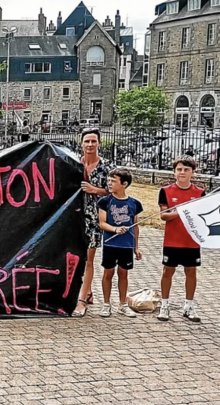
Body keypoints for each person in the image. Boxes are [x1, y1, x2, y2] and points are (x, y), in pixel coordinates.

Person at [73, 128, 115, 317]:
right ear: (81, 143)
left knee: (88, 259)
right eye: (87, 141)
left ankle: (82, 301)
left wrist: (94, 190)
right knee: (76, 256)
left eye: (93, 141)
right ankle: (87, 292)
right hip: (74, 216)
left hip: (94, 218)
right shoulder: (74, 163)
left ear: (99, 143)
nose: (90, 145)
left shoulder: (106, 167)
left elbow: (114, 192)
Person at [157, 156, 204, 322]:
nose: (182, 172)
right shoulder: (166, 191)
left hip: (191, 241)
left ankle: (189, 306)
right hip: (172, 240)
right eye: (179, 169)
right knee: (168, 271)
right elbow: (163, 215)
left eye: (186, 169)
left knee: (191, 272)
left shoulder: (199, 193)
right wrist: (180, 212)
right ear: (174, 172)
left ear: (192, 172)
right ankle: (164, 305)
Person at [97, 168, 143, 318]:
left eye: (113, 181)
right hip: (110, 244)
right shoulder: (105, 201)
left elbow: (135, 226)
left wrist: (136, 247)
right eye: (108, 180)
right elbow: (102, 223)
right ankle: (106, 304)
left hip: (126, 245)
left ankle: (122, 304)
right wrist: (115, 229)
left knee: (123, 274)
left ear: (124, 184)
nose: (109, 183)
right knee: (108, 273)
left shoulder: (134, 203)